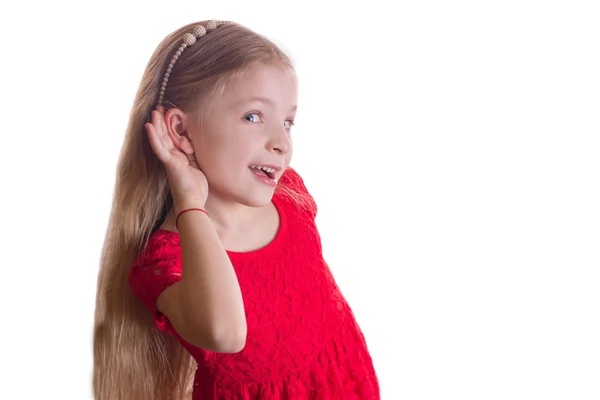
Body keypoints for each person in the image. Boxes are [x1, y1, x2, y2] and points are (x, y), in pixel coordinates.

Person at [93, 19, 380, 400]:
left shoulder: (290, 194)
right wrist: (190, 204)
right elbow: (226, 333)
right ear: (180, 131)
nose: (281, 142)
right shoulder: (163, 263)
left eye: (288, 122)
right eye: (253, 117)